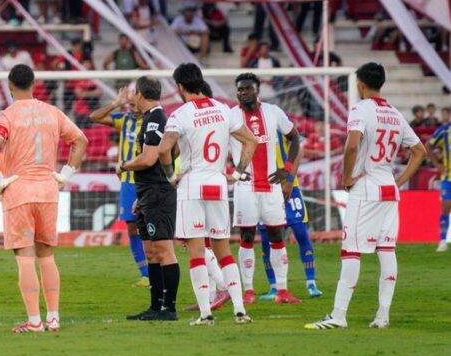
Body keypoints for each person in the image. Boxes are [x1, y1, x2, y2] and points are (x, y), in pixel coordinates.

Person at [307, 63, 426, 330]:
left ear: (360, 85)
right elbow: (420, 151)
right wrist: (398, 181)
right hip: (389, 189)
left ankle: (338, 316)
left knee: (351, 250)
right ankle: (383, 316)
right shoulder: (395, 113)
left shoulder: (361, 109)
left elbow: (351, 147)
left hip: (366, 188)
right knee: (387, 250)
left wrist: (346, 178)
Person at [0, 65, 87, 333]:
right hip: (48, 191)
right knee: (47, 256)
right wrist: (65, 175)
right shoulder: (52, 112)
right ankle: (53, 318)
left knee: (25, 258)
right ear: (33, 83)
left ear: (9, 86)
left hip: (19, 191)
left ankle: (34, 322)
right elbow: (81, 141)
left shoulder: (7, 116)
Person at [158, 63, 259, 326]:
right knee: (224, 251)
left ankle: (205, 314)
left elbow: (163, 149)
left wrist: (170, 176)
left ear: (180, 86)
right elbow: (252, 140)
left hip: (192, 186)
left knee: (196, 253)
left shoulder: (180, 114)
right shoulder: (224, 109)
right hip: (218, 184)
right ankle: (240, 311)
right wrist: (237, 173)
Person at [229, 73, 303, 306]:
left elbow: (295, 138)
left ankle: (282, 290)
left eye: (247, 88)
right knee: (247, 237)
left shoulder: (273, 112)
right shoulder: (231, 116)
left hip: (271, 186)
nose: (243, 93)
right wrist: (232, 170)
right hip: (245, 187)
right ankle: (248, 290)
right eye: (240, 89)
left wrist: (287, 170)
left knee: (276, 236)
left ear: (257, 90)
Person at [115, 77, 180, 321]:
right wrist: (142, 195)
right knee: (151, 251)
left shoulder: (155, 119)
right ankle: (155, 307)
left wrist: (124, 165)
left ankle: (169, 309)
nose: (132, 97)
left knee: (164, 250)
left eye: (134, 93)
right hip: (148, 192)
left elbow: (149, 158)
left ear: (141, 94)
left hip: (157, 193)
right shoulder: (157, 118)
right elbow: (175, 149)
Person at [90, 85, 149, 287]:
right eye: (130, 105)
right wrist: (116, 103)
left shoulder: (153, 122)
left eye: (135, 104)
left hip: (147, 182)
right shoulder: (125, 120)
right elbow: (94, 117)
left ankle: (157, 271)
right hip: (128, 183)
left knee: (150, 228)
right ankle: (146, 274)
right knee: (132, 228)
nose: (133, 108)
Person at [428, 120, 451, 252]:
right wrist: (437, 164)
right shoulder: (445, 130)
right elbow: (428, 145)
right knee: (446, 207)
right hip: (448, 178)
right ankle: (442, 241)